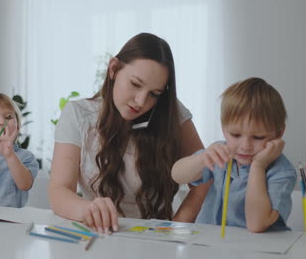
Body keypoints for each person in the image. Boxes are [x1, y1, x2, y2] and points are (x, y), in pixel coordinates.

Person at [49, 33, 210, 234]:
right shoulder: (78, 115)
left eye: (154, 94)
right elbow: (59, 190)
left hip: (157, 241)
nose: (141, 102)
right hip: (102, 235)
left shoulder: (171, 113)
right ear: (114, 69)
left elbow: (206, 177)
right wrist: (88, 209)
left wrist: (176, 225)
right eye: (135, 84)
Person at [171, 78, 297, 232]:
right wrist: (201, 159)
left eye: (258, 137)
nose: (245, 146)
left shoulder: (282, 172)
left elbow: (256, 224)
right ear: (224, 129)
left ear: (278, 133)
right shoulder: (221, 152)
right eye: (236, 135)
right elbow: (177, 175)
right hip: (212, 244)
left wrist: (258, 166)